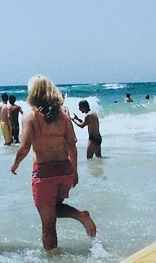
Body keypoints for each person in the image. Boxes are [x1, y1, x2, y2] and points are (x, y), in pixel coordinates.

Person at [10, 75, 96, 252]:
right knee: (53, 209)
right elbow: (72, 146)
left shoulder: (30, 117)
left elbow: (25, 146)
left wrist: (15, 164)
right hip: (65, 170)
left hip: (44, 173)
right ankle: (79, 215)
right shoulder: (63, 117)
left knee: (48, 224)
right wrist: (75, 171)